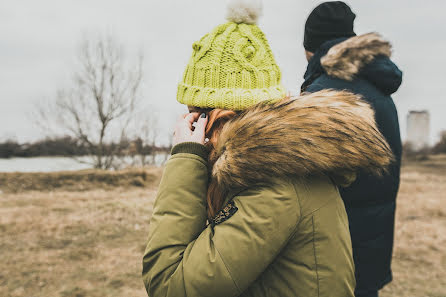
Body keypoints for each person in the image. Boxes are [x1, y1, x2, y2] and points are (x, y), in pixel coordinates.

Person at [142, 1, 393, 296]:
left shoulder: (275, 189)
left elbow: (169, 283)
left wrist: (186, 156)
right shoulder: (283, 166)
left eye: (196, 116)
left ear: (221, 117)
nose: (191, 126)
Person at [301, 2, 403, 297]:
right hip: (374, 242)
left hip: (333, 248)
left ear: (312, 47)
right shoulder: (379, 90)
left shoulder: (323, 94)